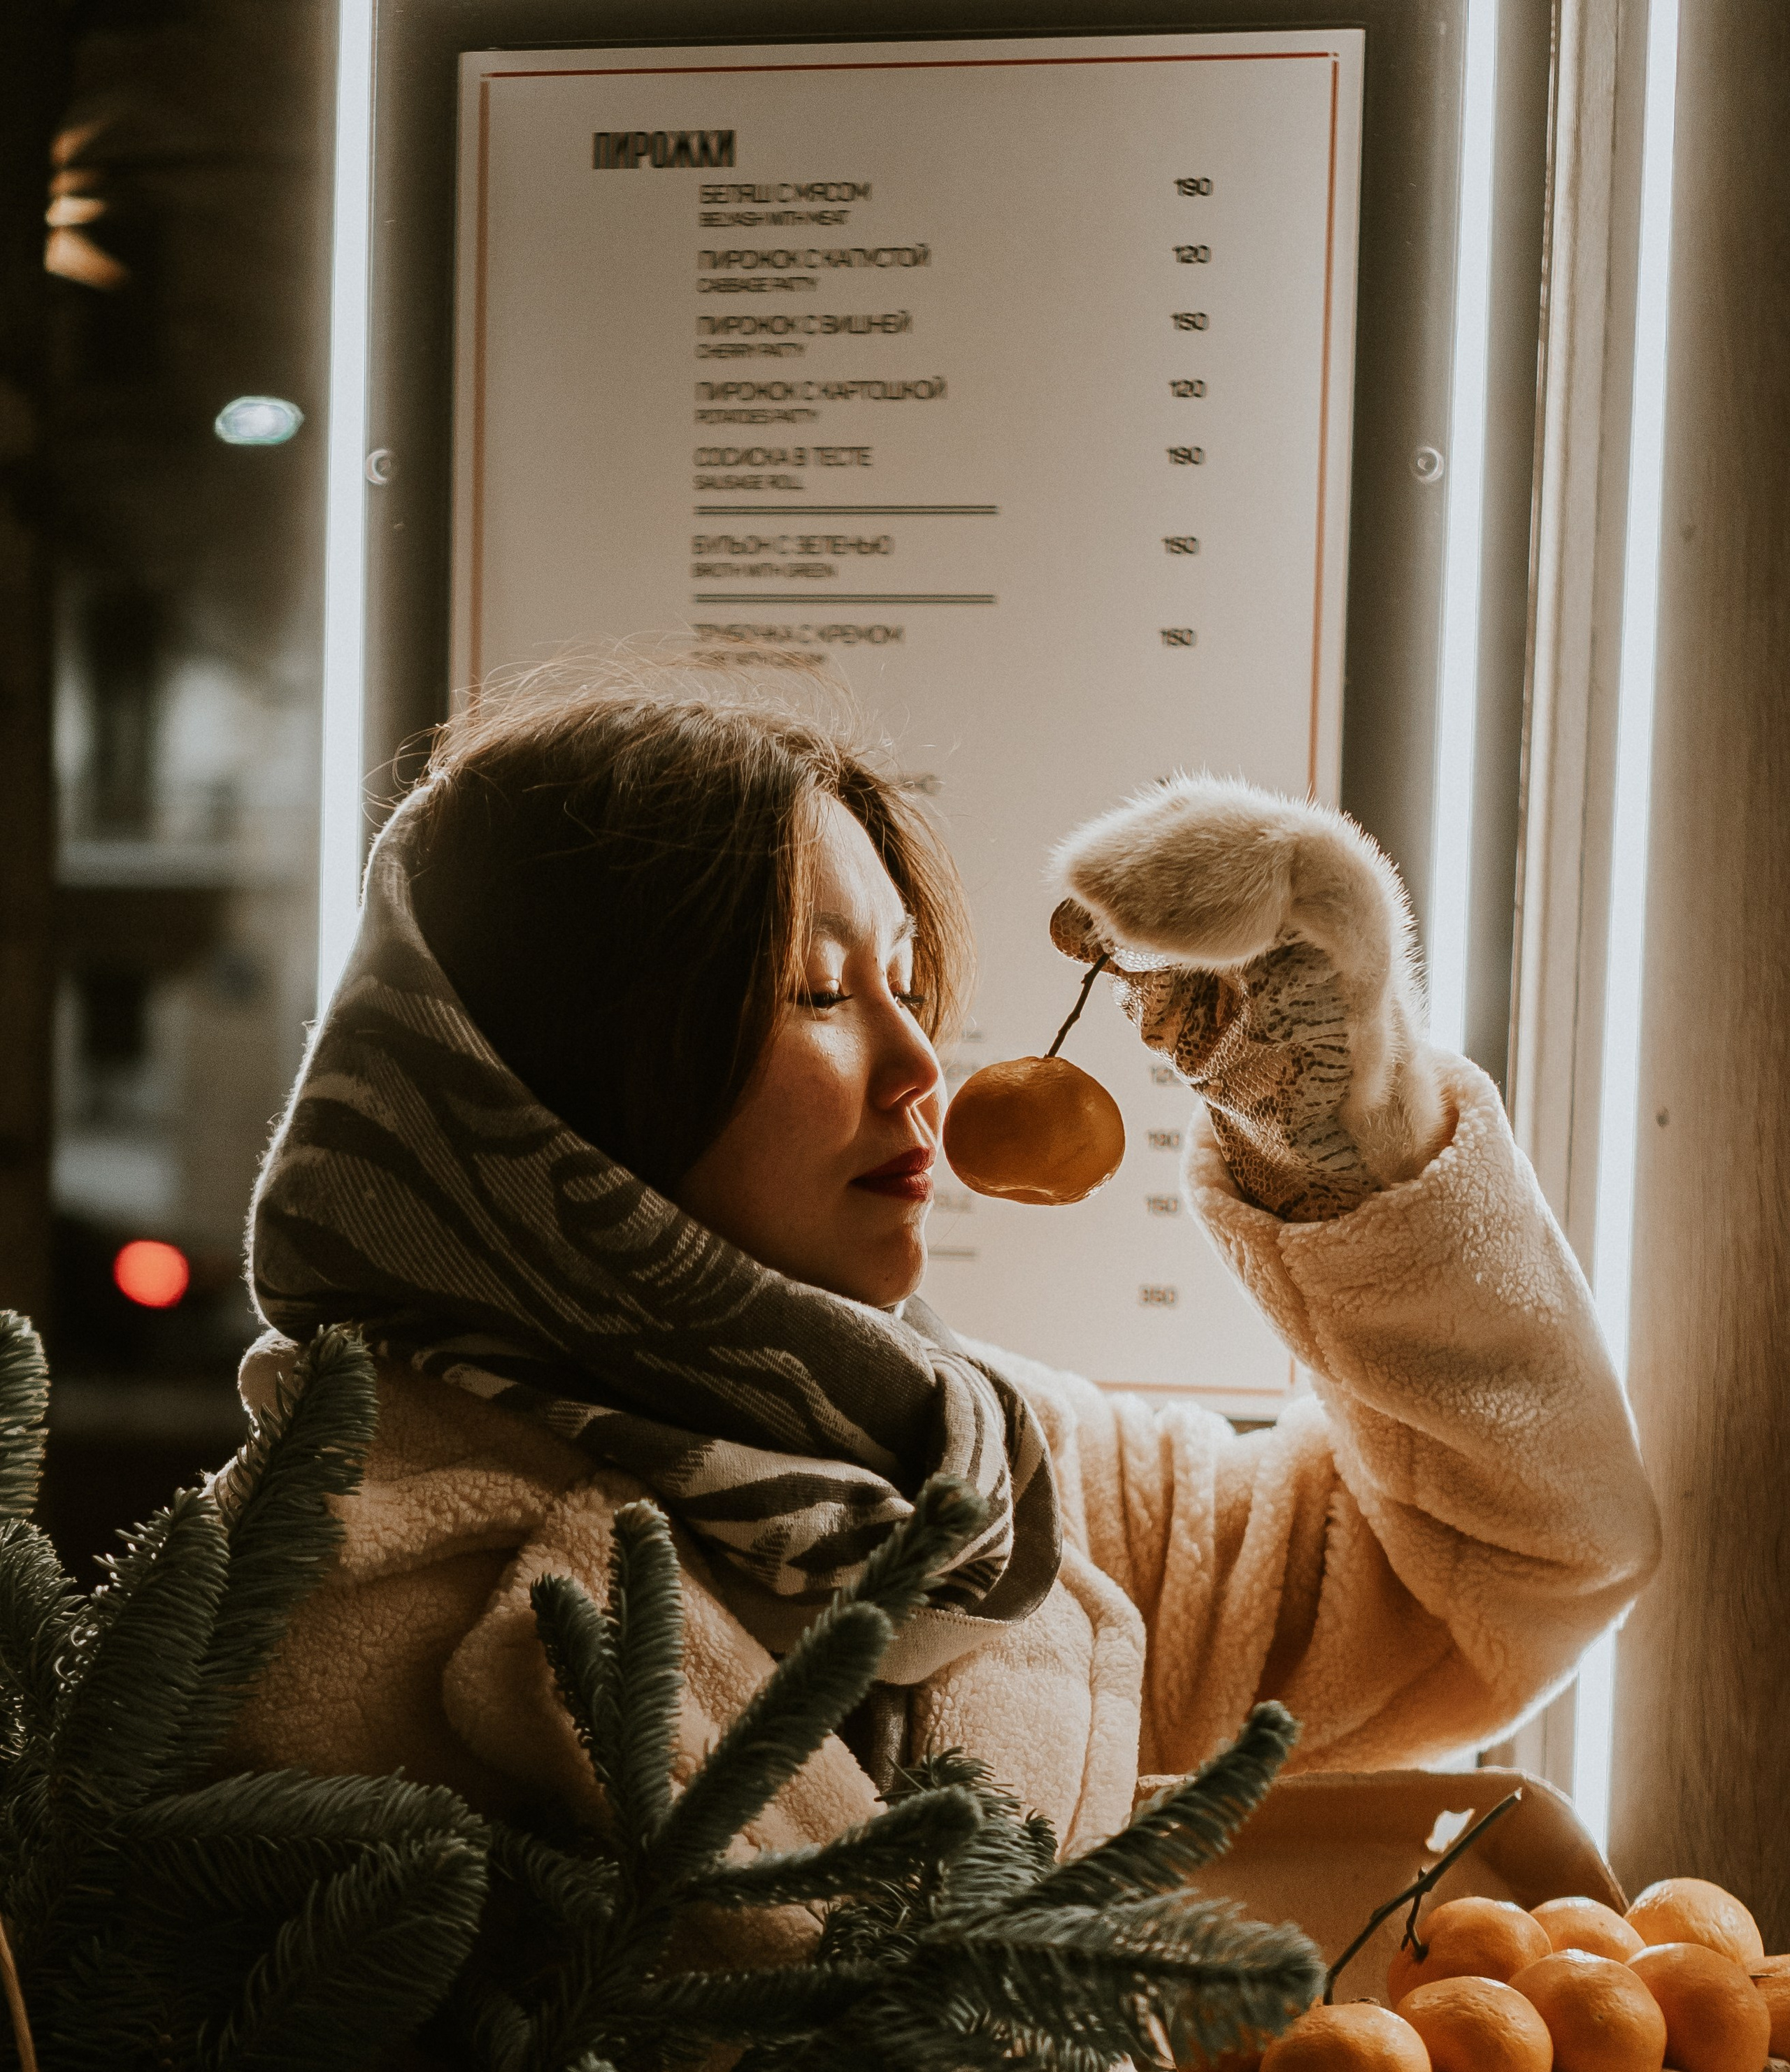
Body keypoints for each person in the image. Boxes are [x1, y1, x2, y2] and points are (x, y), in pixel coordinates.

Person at [232, 679, 1659, 1924]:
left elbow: (1500, 1572)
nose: (923, 1063)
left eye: (907, 981)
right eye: (816, 992)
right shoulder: (338, 1588)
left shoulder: (979, 1464)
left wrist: (1340, 1120)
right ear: (551, 1078)